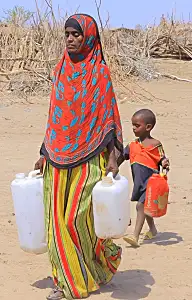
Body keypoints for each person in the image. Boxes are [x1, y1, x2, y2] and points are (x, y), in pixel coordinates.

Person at [34, 14, 124, 300]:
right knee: (57, 224)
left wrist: (113, 157)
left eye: (76, 34)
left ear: (88, 37)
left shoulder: (99, 73)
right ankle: (69, 282)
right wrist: (44, 152)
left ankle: (101, 261)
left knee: (77, 218)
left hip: (90, 156)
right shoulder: (60, 70)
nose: (71, 39)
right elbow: (55, 118)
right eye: (67, 35)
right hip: (57, 157)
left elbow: (108, 118)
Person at [120, 109, 170, 247]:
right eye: (133, 125)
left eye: (137, 125)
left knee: (140, 205)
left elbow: (162, 159)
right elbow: (120, 159)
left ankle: (135, 236)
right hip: (139, 182)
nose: (134, 128)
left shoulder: (155, 145)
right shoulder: (132, 146)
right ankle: (153, 230)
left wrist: (165, 164)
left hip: (151, 182)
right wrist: (110, 169)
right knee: (146, 206)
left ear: (148, 127)